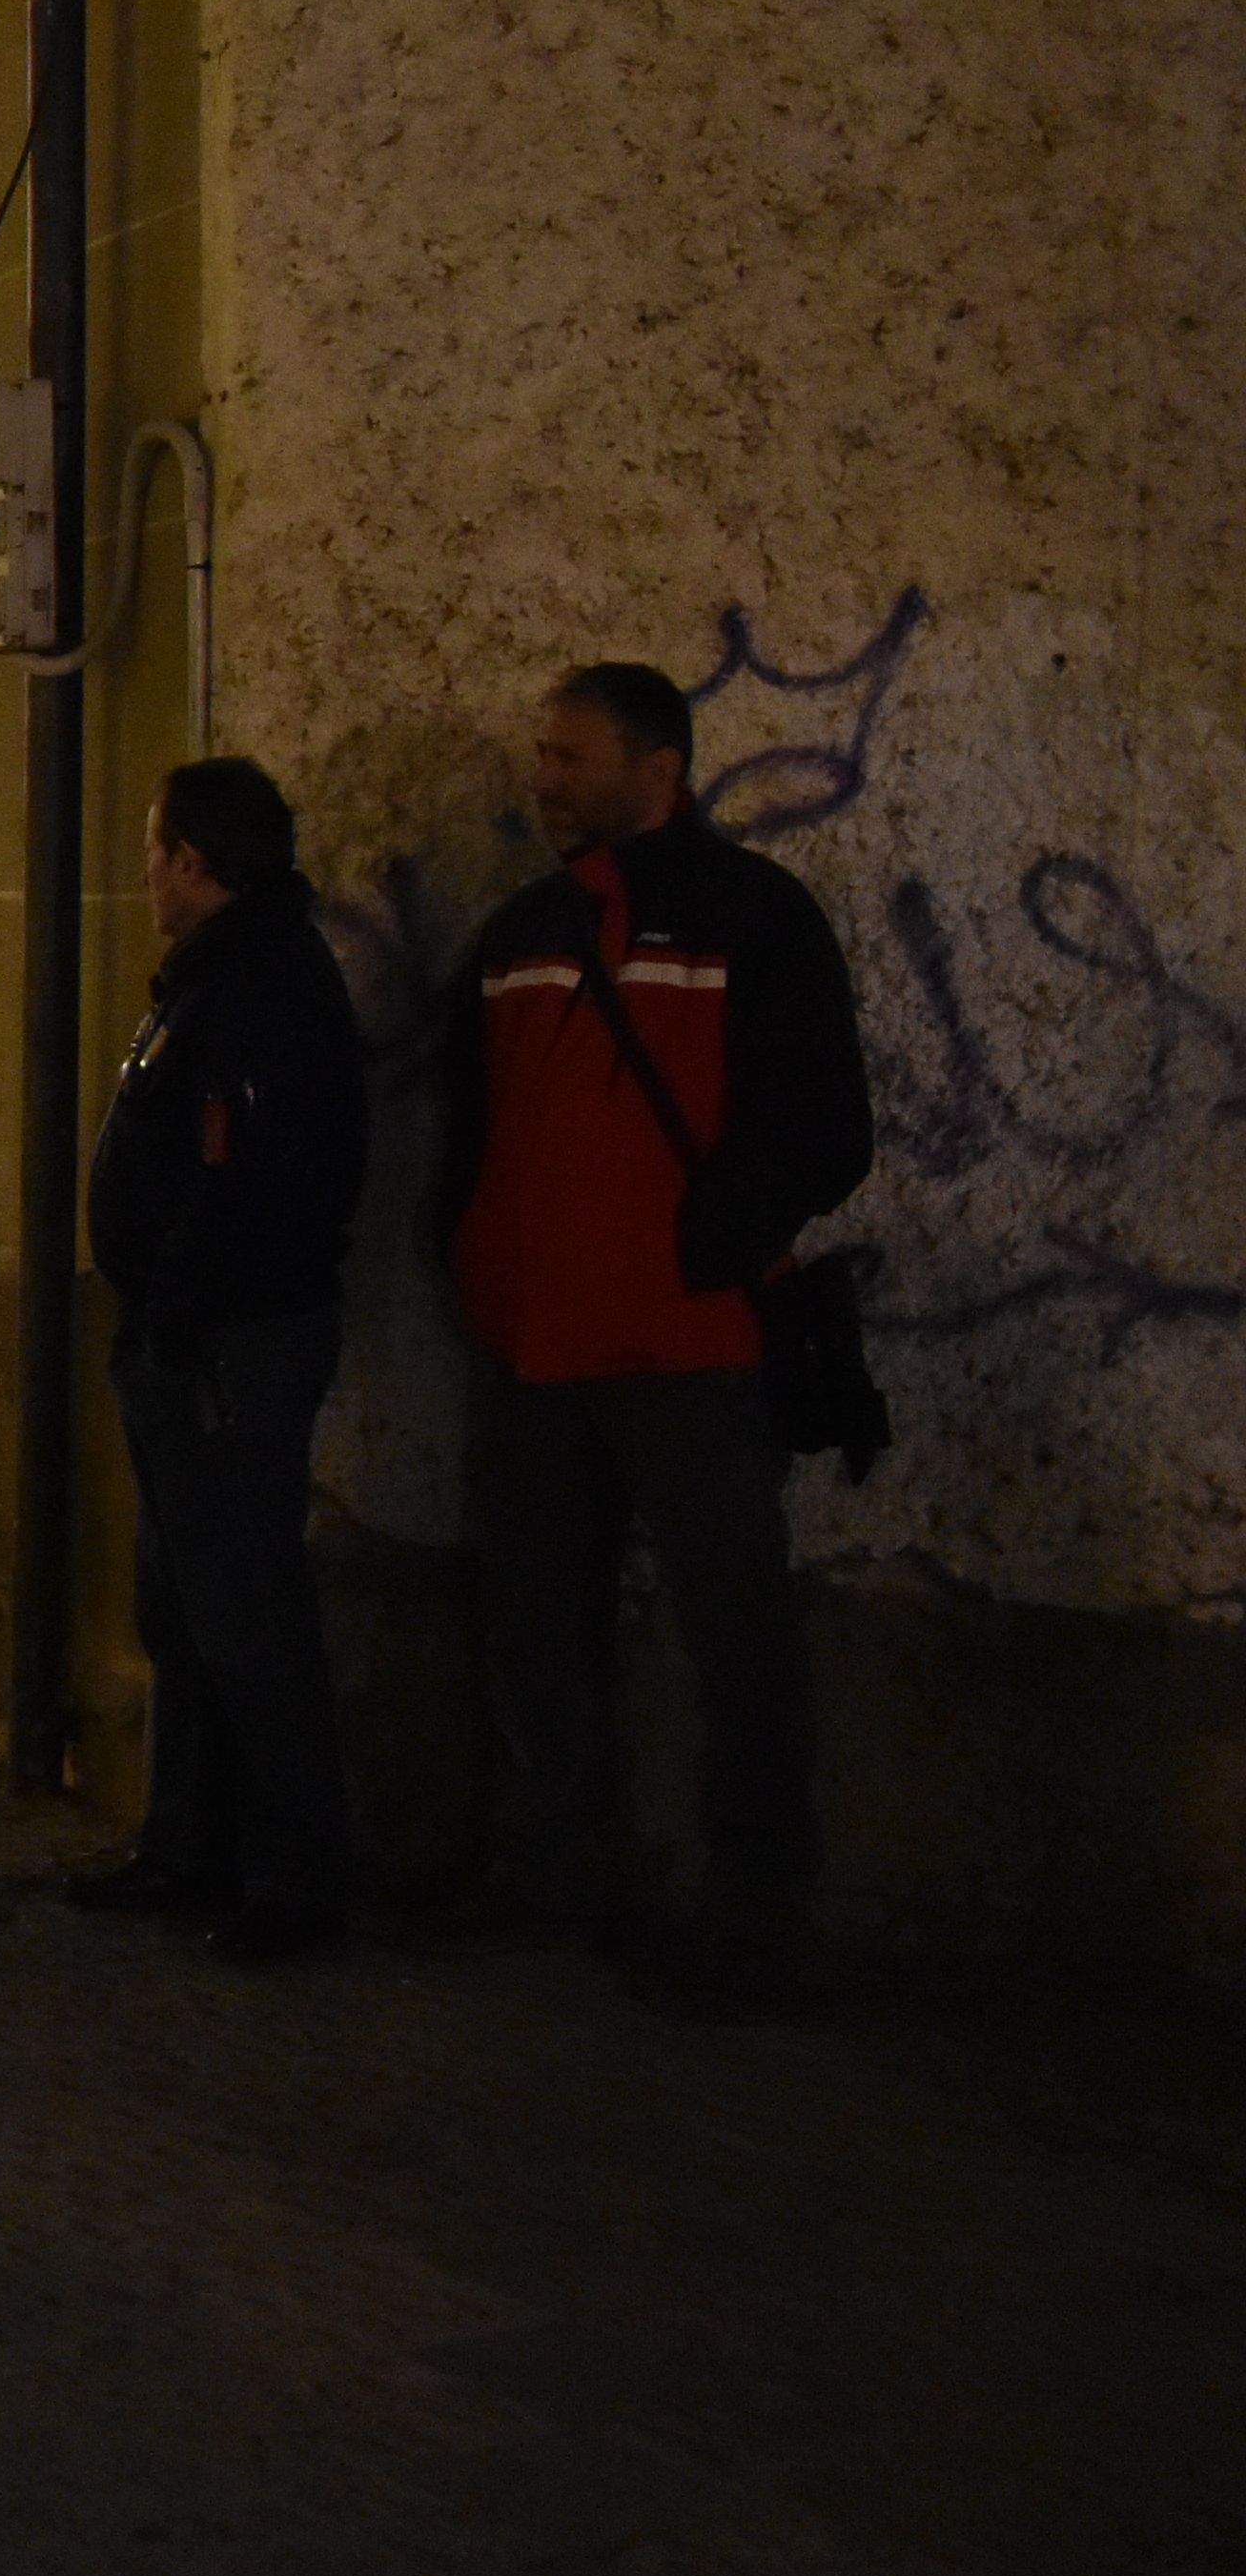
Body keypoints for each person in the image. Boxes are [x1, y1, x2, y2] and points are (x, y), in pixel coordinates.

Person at [435, 661, 875, 1998]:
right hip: (537, 1353)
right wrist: (474, 1264)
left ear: (657, 768)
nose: (543, 777)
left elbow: (821, 1126)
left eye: (570, 756)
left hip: (689, 1349)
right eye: (542, 753)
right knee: (535, 1617)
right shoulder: (518, 933)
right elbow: (470, 1134)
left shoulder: (754, 918)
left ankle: (753, 1908)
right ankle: (560, 1870)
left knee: (731, 1627)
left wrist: (702, 1247)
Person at [72, 760, 369, 1960]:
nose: (144, 874)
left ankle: (293, 1874)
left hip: (226, 1346)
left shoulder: (261, 986)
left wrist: (182, 1309)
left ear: (196, 861)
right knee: (184, 1601)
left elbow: (246, 1174)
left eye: (155, 851)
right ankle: (188, 1842)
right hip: (191, 1338)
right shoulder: (220, 978)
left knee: (244, 1606)